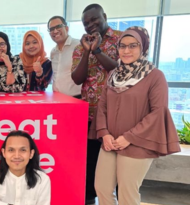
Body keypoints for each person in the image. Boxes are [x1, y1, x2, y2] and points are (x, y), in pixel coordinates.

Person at [94, 26, 181, 205]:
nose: (126, 51)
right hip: (111, 141)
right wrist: (104, 133)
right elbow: (102, 106)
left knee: (127, 194)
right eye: (122, 46)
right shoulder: (113, 75)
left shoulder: (155, 76)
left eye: (133, 46)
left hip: (137, 142)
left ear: (143, 48)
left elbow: (158, 112)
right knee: (101, 188)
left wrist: (129, 137)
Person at [70, 4, 122, 204]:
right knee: (90, 162)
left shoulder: (121, 40)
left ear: (104, 16)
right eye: (85, 23)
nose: (90, 25)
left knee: (116, 161)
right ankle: (90, 199)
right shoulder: (80, 46)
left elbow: (119, 71)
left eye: (94, 20)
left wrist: (98, 50)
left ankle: (118, 198)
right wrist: (86, 52)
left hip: (116, 114)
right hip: (89, 115)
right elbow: (77, 78)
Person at [0, 130, 51, 205]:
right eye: (11, 150)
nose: (17, 156)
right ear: (4, 153)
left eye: (23, 150)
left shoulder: (42, 179)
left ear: (31, 154)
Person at [47, 16, 81, 98]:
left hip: (75, 98)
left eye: (58, 27)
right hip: (57, 99)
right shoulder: (53, 52)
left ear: (66, 28)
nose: (55, 31)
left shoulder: (79, 45)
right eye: (51, 29)